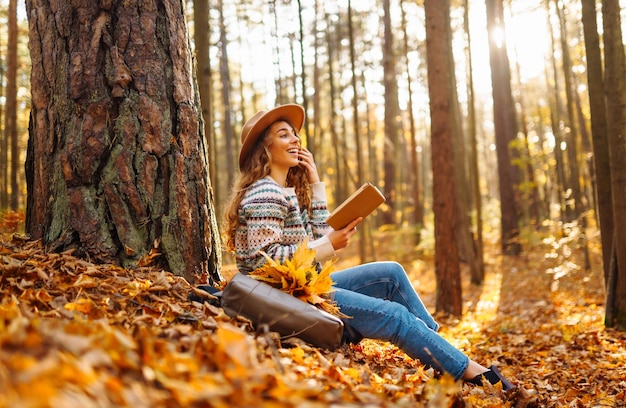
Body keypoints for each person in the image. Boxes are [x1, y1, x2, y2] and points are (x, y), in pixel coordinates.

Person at [222, 104, 515, 391]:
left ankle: (439, 349)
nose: (296, 139)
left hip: (302, 286)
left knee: (390, 274)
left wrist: (316, 184)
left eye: (295, 134)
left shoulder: (283, 191)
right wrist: (327, 245)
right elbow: (264, 262)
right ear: (264, 148)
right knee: (396, 317)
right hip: (285, 298)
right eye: (284, 134)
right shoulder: (265, 193)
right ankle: (478, 375)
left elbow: (318, 239)